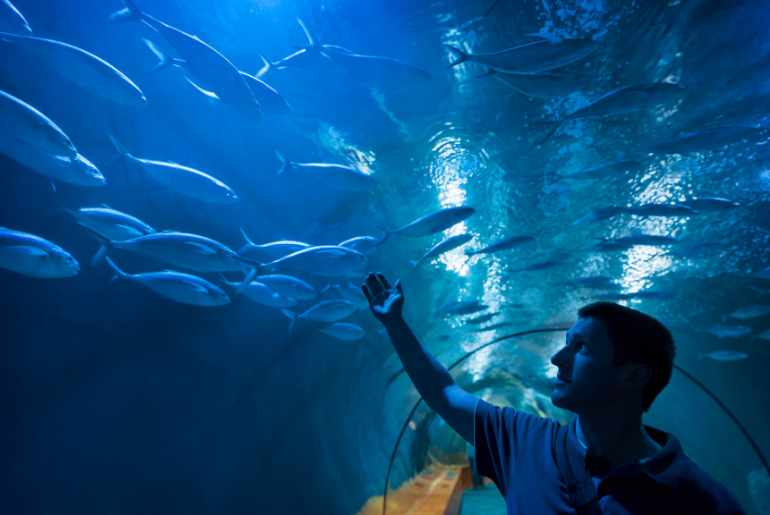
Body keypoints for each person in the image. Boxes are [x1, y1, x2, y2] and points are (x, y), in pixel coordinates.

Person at [361, 272, 745, 514]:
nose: (558, 359)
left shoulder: (702, 500)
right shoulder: (521, 439)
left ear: (633, 375)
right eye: (565, 344)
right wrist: (395, 325)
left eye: (581, 348)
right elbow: (443, 391)